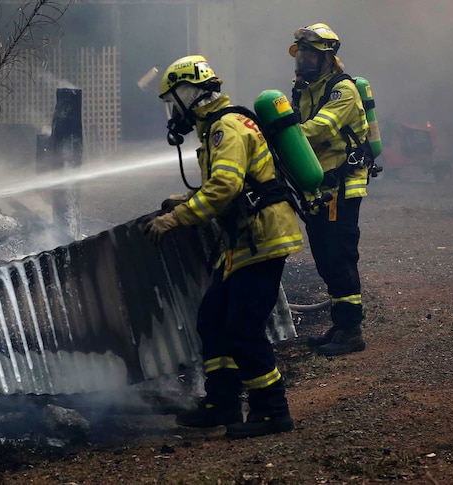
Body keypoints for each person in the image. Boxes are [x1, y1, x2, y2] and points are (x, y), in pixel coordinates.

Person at [144, 55, 303, 438]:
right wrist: (186, 199)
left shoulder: (224, 129)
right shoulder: (217, 128)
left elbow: (225, 188)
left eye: (173, 101)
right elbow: (228, 185)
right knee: (213, 318)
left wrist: (175, 218)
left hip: (263, 237)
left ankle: (272, 410)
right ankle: (222, 403)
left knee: (242, 328)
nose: (172, 112)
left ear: (189, 93)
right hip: (243, 240)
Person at [289, 23, 370, 356]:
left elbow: (320, 130)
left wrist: (281, 135)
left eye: (310, 53)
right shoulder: (304, 89)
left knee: (339, 254)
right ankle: (340, 325)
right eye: (301, 52)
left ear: (327, 57)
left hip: (342, 184)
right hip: (318, 184)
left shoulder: (342, 89)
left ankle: (351, 331)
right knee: (324, 255)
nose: (303, 59)